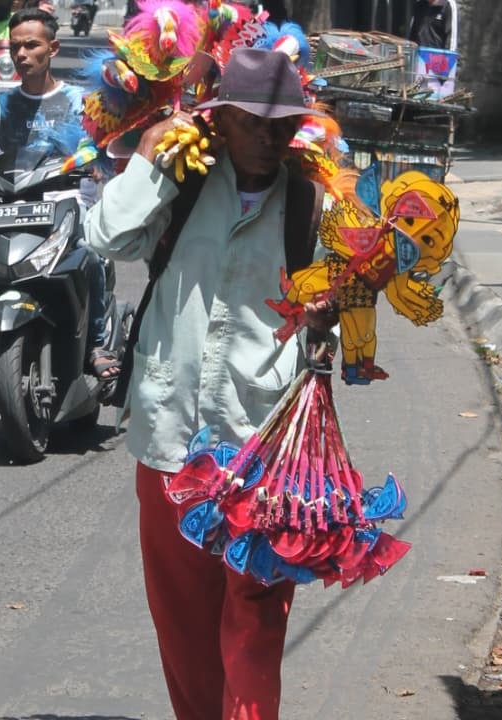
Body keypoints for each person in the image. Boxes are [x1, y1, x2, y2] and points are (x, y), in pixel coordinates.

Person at [83, 48, 332, 720]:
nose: (268, 138)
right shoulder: (183, 181)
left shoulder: (311, 200)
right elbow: (107, 237)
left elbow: (339, 312)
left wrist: (330, 312)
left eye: (281, 126)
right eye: (252, 123)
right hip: (171, 437)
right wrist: (149, 159)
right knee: (185, 626)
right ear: (219, 120)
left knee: (256, 620)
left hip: (264, 451)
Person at [0, 7, 116, 394]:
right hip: (11, 207)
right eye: (15, 46)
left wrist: (98, 166)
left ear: (53, 48)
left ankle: (97, 343)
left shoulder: (82, 102)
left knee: (92, 254)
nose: (21, 54)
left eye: (31, 45)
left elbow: (99, 150)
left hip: (70, 204)